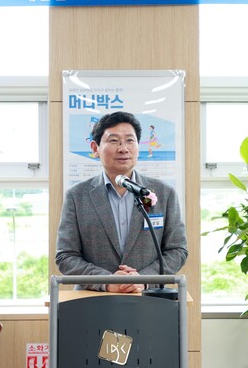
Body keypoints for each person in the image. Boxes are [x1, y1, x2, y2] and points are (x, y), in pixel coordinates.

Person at [56, 111, 188, 292]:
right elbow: (65, 256)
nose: (123, 148)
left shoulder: (164, 193)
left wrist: (143, 279)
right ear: (95, 148)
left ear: (138, 146)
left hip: (147, 298)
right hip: (92, 298)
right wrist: (107, 281)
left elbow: (177, 250)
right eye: (114, 140)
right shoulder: (76, 196)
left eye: (130, 140)